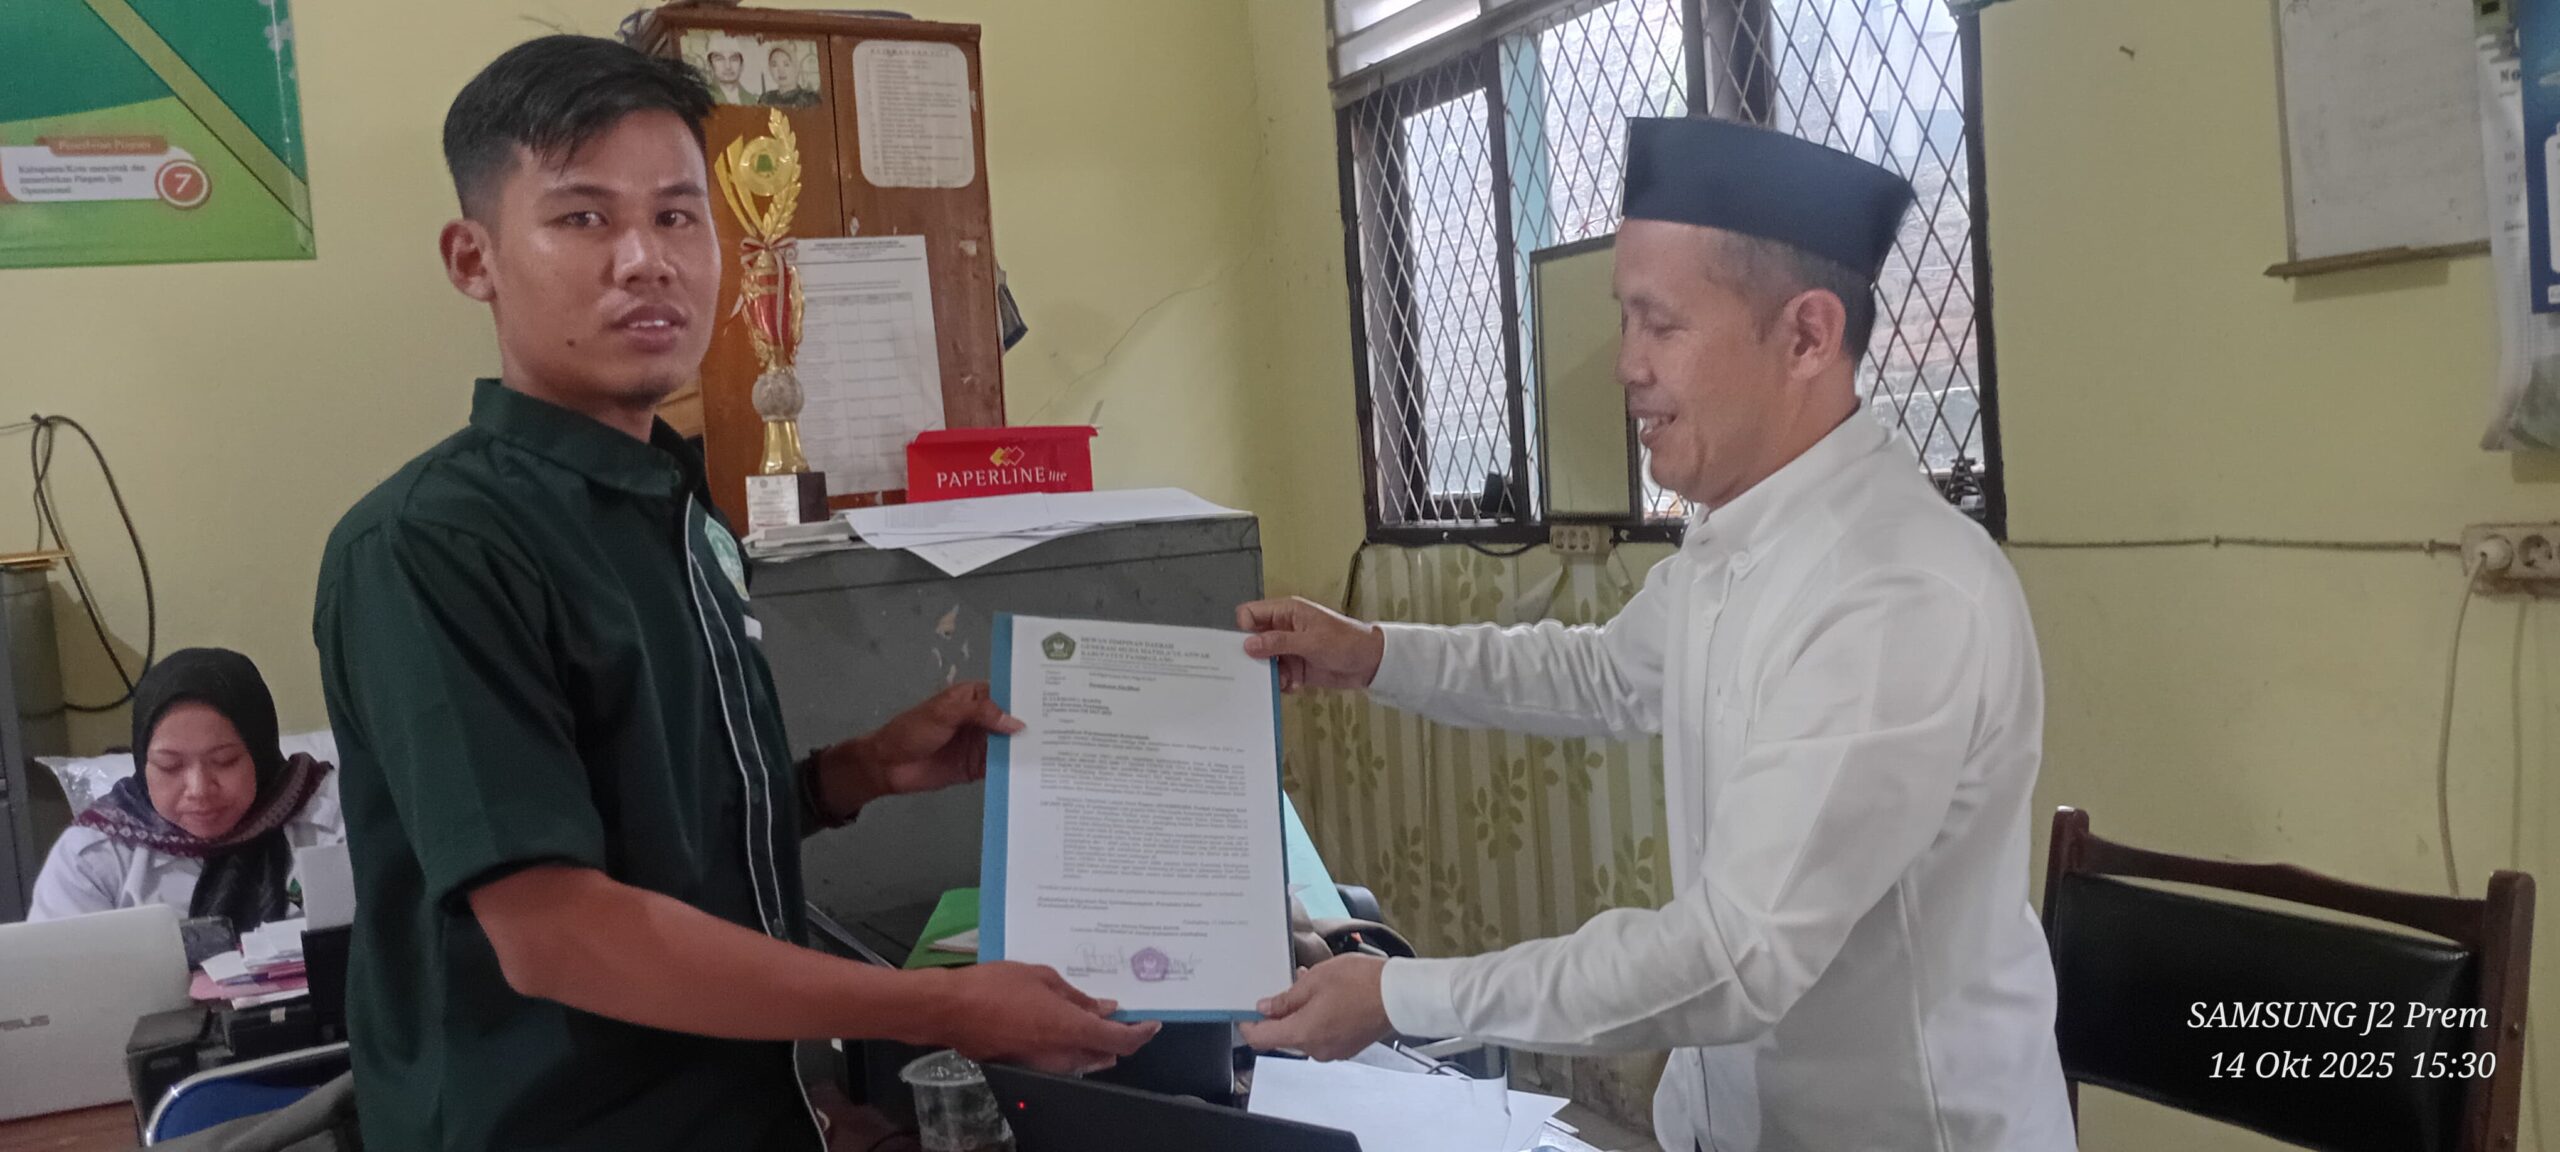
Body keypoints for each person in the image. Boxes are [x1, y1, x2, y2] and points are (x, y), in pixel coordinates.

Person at [310, 36, 1152, 1152]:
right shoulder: (433, 545)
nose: (645, 261)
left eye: (676, 216)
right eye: (583, 217)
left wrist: (854, 775)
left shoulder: (676, 506)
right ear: (474, 259)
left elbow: (661, 828)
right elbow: (555, 930)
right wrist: (938, 1007)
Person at [1234, 116, 2073, 1151]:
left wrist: (1400, 995)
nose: (1625, 365)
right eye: (1623, 319)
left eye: (1660, 324)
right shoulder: (1743, 533)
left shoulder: (1897, 592)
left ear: (1806, 337)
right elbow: (1603, 673)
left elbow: (1735, 957)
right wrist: (1369, 653)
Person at [28, 647, 338, 932]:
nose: (199, 789)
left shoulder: (334, 815)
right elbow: (60, 968)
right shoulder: (93, 858)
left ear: (261, 754)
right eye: (170, 766)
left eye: (225, 761)